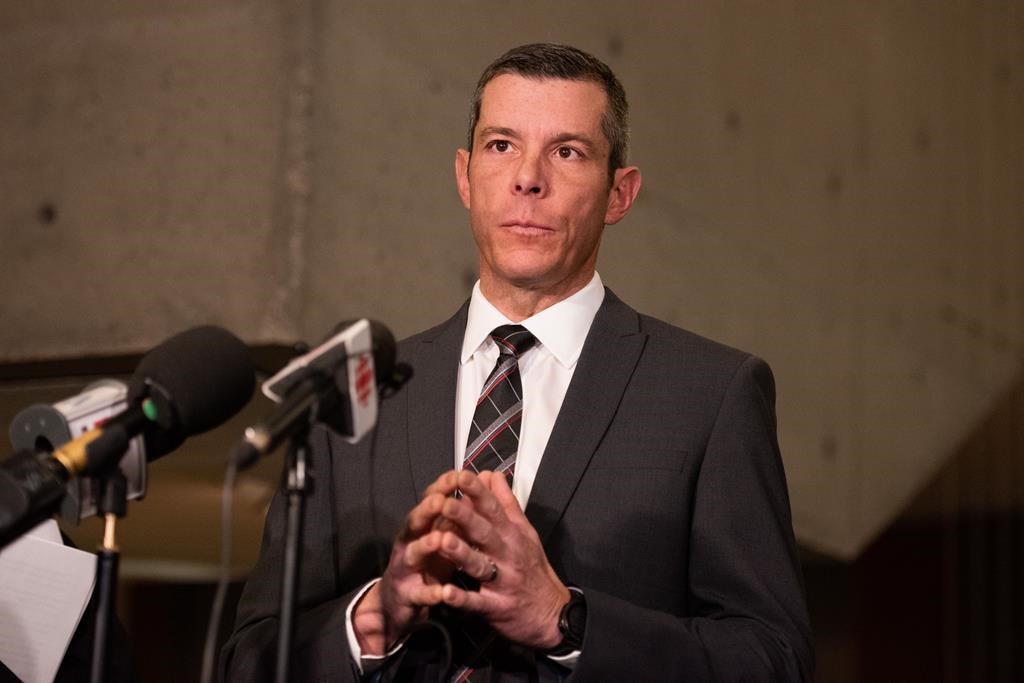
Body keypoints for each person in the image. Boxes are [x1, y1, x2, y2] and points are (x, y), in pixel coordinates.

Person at [223, 43, 814, 681]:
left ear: (620, 194)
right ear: (463, 176)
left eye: (567, 151)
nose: (528, 177)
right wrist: (377, 616)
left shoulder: (710, 395)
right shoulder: (354, 398)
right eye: (502, 145)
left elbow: (773, 661)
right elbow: (248, 662)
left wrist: (566, 619)